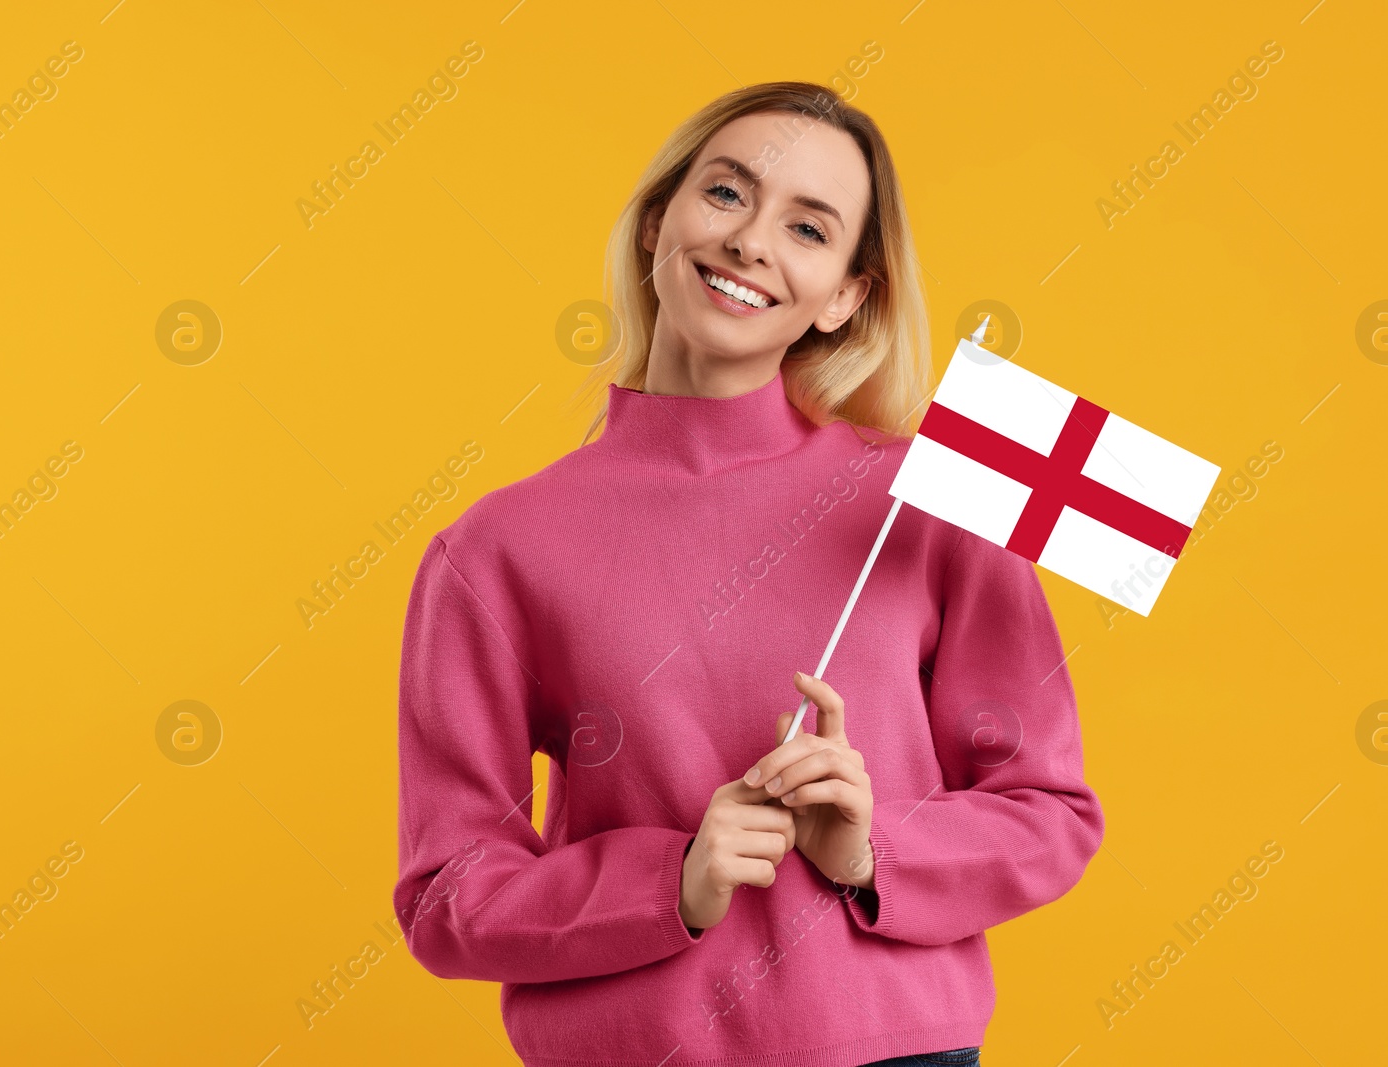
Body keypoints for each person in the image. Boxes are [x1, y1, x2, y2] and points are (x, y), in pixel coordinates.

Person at [393, 80, 1104, 1067]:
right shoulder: (494, 550)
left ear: (847, 296)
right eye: (727, 194)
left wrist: (865, 849)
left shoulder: (931, 501)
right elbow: (445, 894)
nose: (751, 241)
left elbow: (1049, 812)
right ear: (656, 222)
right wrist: (671, 878)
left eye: (808, 229)